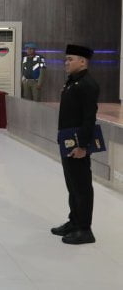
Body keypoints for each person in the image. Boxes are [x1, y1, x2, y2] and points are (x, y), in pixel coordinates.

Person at [50, 44, 99, 245]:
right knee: (72, 184)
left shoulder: (87, 84)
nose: (66, 63)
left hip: (78, 143)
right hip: (67, 140)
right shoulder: (73, 82)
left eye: (70, 59)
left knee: (82, 186)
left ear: (82, 61)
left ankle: (85, 229)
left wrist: (83, 146)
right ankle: (74, 221)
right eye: (66, 59)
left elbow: (89, 118)